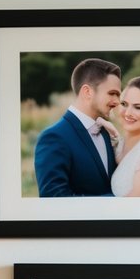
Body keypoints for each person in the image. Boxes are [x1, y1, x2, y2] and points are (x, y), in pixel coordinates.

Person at [34, 58, 122, 197]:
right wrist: (115, 201)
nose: (117, 102)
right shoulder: (53, 137)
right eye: (112, 93)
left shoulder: (107, 134)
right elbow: (54, 201)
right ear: (87, 92)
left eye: (118, 95)